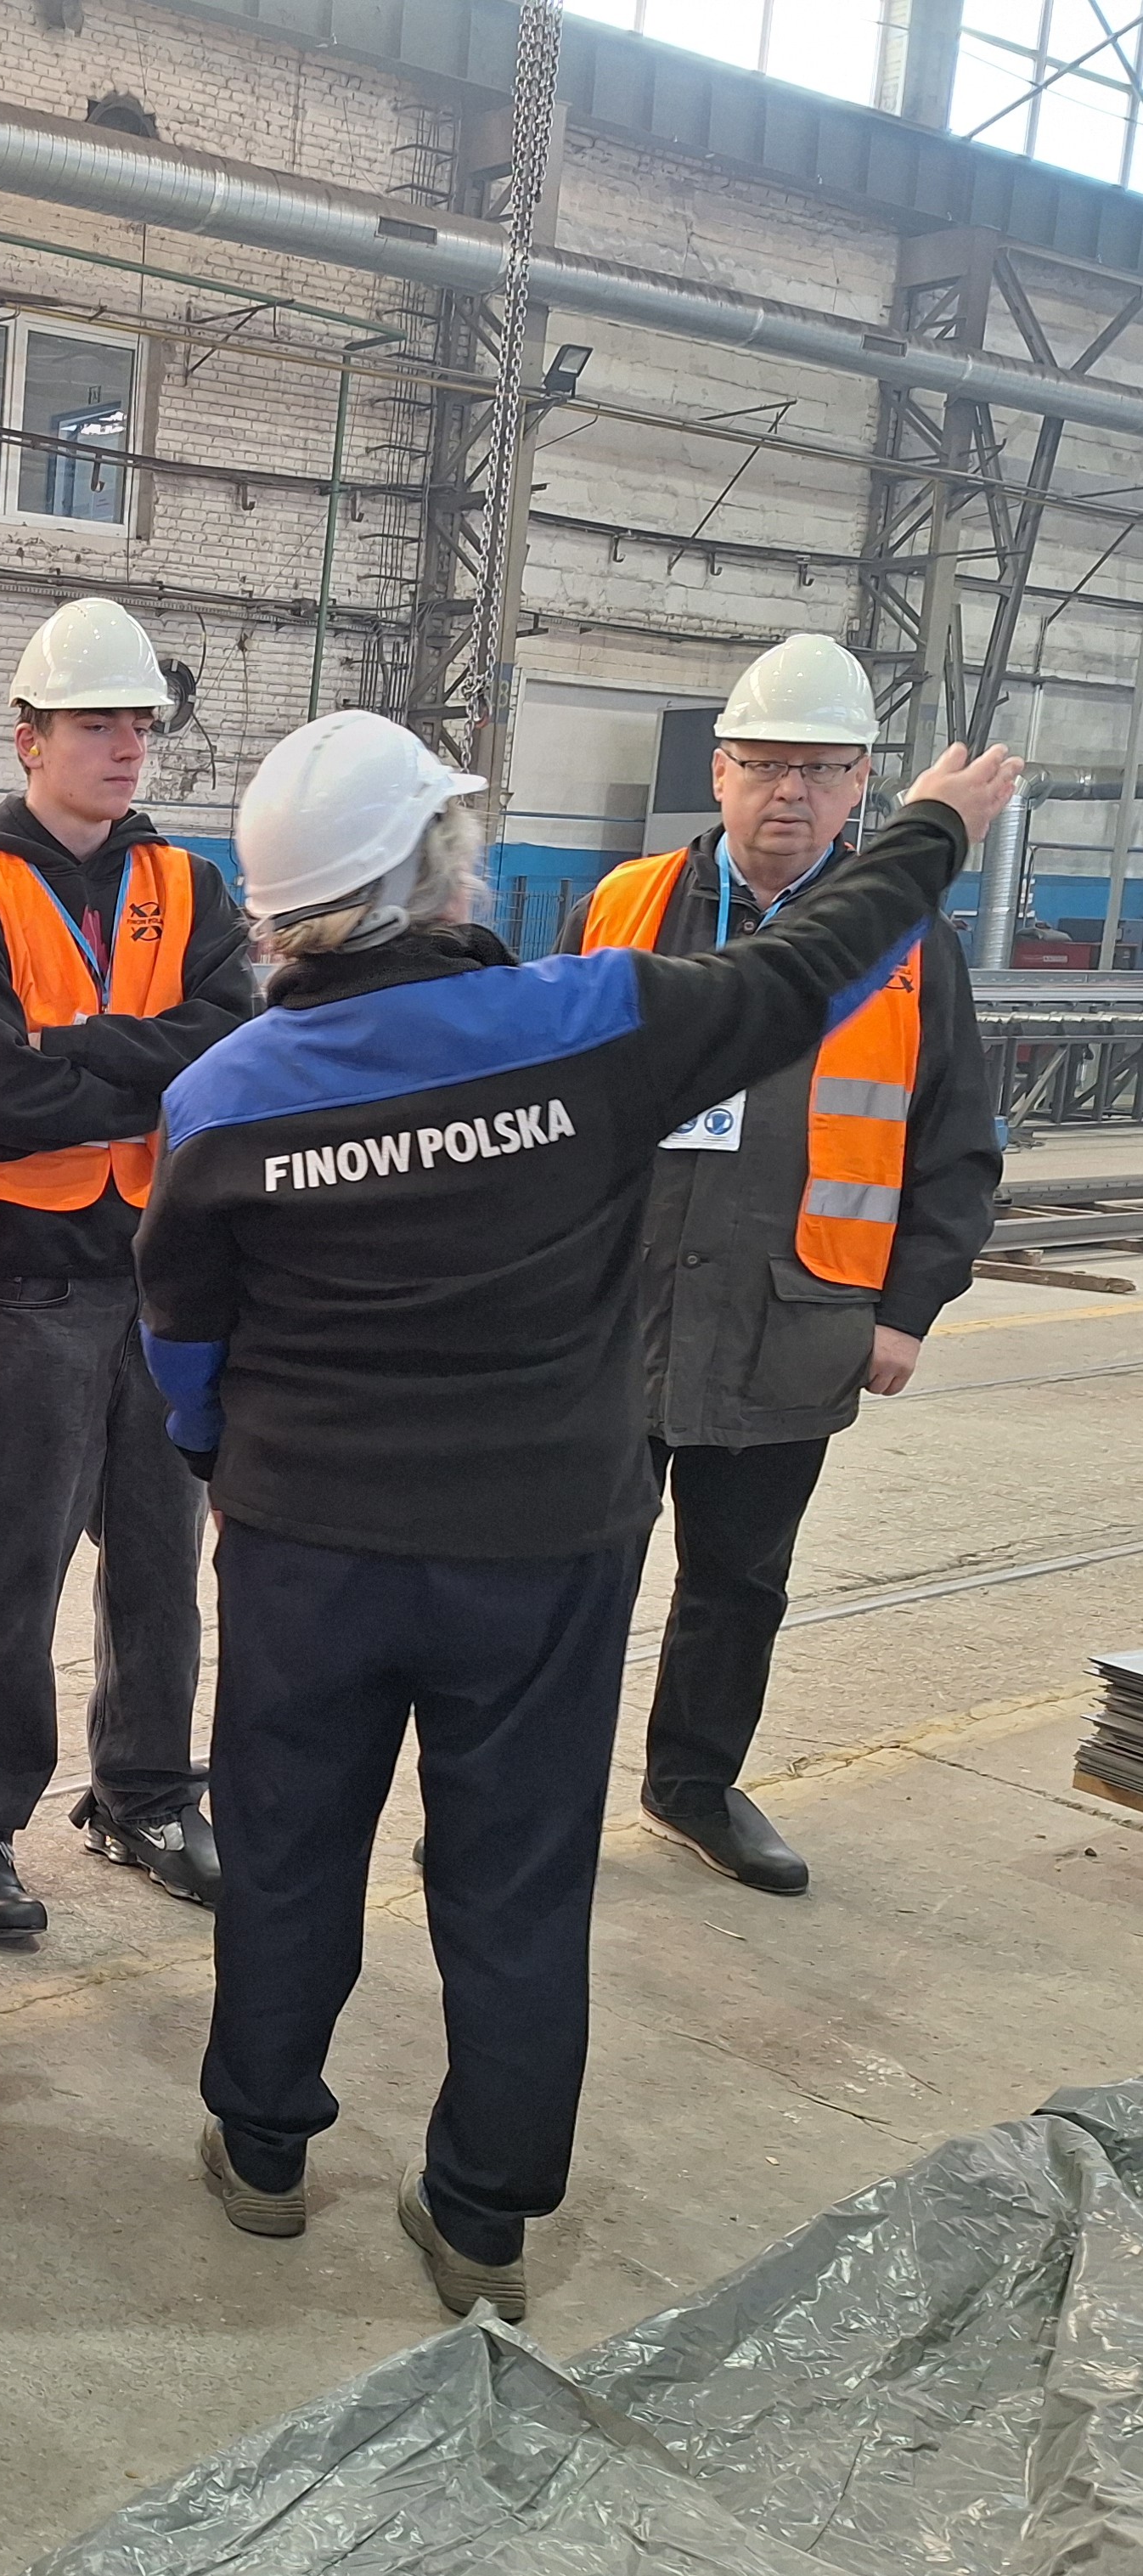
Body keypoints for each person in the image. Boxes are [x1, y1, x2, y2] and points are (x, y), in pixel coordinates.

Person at [135, 709, 1020, 2321]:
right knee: (520, 1878)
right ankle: (482, 2219)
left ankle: (262, 2151)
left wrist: (231, 1468)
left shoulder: (218, 1097)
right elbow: (808, 964)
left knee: (287, 1851)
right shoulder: (595, 1021)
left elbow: (183, 1341)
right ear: (439, 870)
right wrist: (933, 829)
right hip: (540, 1549)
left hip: (306, 1548)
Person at [572, 636, 999, 1896]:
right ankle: (529, 1795)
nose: (790, 793)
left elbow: (955, 1143)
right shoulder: (625, 903)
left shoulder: (912, 940)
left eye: (820, 769)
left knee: (739, 1580)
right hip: (613, 1310)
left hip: (791, 1314)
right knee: (570, 1574)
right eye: (765, 765)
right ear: (719, 771)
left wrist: (907, 1309)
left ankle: (694, 1785)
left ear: (863, 782)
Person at [0, 596, 254, 1938]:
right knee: (9, 1562)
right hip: (33, 1280)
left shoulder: (193, 889)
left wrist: (81, 1046)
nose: (125, 747)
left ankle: (147, 1795)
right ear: (28, 738)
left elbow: (235, 1051)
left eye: (139, 725)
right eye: (96, 722)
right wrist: (149, 1063)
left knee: (163, 1557)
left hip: (165, 1276)